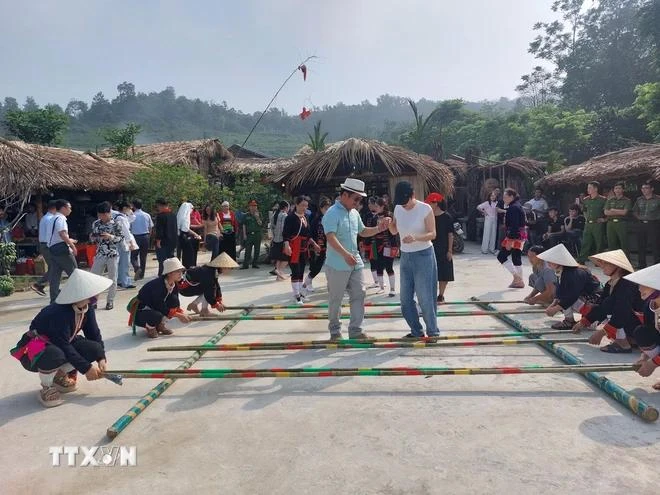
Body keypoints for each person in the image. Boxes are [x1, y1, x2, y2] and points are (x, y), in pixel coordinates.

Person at [10, 269, 112, 407]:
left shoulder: (86, 308)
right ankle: (46, 387)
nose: (97, 295)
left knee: (94, 348)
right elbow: (63, 345)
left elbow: (93, 334)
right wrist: (86, 368)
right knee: (56, 354)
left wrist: (101, 358)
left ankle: (58, 375)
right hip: (35, 349)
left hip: (62, 343)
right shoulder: (59, 313)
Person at [323, 178, 391, 340]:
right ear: (345, 195)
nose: (358, 202)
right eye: (356, 199)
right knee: (336, 299)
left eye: (360, 199)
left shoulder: (354, 213)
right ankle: (335, 332)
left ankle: (355, 331)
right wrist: (345, 254)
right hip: (338, 264)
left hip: (355, 263)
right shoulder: (332, 213)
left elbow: (362, 231)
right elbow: (330, 237)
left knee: (359, 295)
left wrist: (378, 228)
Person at [389, 181, 438, 339]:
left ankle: (433, 331)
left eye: (406, 202)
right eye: (401, 204)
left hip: (423, 254)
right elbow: (394, 229)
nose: (404, 206)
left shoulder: (425, 208)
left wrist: (416, 237)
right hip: (406, 256)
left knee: (425, 297)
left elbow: (432, 234)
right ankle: (416, 331)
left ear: (413, 196)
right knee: (405, 300)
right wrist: (389, 224)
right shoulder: (397, 208)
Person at [572, 250, 640, 353]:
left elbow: (622, 311)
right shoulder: (610, 284)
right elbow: (601, 307)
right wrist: (584, 321)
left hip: (639, 322)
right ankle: (630, 338)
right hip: (630, 321)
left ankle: (623, 343)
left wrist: (603, 332)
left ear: (618, 267)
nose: (602, 265)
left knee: (614, 306)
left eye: (606, 263)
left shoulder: (627, 284)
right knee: (607, 303)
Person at [539, 244, 602, 330]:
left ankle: (570, 320)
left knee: (590, 326)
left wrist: (556, 308)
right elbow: (559, 292)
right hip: (584, 297)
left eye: (550, 261)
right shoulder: (562, 271)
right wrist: (552, 306)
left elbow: (572, 296)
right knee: (562, 298)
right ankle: (570, 319)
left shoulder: (573, 273)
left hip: (595, 301)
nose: (548, 264)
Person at [127, 257, 191, 338]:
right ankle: (150, 327)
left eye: (181, 271)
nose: (180, 274)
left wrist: (181, 313)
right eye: (177, 271)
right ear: (169, 273)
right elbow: (160, 306)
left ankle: (160, 325)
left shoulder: (173, 284)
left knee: (174, 301)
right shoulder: (158, 286)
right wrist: (178, 315)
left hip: (154, 307)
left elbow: (175, 303)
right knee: (157, 316)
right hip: (141, 312)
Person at [624, 264, 660, 389]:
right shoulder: (649, 306)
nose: (639, 289)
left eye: (645, 284)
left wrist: (653, 364)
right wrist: (644, 356)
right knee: (642, 332)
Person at [283, 196, 321, 304]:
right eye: (302, 205)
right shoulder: (290, 218)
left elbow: (308, 235)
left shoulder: (305, 218)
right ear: (296, 205)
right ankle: (296, 296)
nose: (305, 208)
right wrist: (287, 246)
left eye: (306, 206)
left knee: (301, 271)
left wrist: (314, 244)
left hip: (304, 248)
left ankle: (299, 293)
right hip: (293, 247)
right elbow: (285, 234)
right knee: (295, 271)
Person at [89, 201, 123, 310]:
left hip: (112, 254)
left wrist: (111, 237)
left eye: (103, 214)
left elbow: (121, 238)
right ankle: (93, 301)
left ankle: (110, 301)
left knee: (112, 279)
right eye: (99, 214)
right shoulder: (96, 224)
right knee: (94, 278)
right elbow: (93, 237)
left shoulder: (116, 224)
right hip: (100, 254)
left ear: (109, 213)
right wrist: (93, 238)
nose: (101, 217)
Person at [47, 199, 78, 303]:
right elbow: (62, 234)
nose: (70, 210)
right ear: (64, 208)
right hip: (61, 248)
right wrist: (72, 246)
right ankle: (77, 297)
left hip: (52, 248)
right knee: (75, 273)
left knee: (55, 276)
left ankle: (54, 299)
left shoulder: (52, 218)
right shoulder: (61, 218)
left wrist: (69, 240)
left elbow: (57, 235)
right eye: (69, 207)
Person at [367, 197, 398, 296]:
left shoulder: (390, 216)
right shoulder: (374, 217)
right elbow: (371, 231)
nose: (375, 208)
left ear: (382, 206)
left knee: (389, 266)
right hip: (377, 245)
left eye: (377, 206)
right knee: (378, 266)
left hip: (388, 245)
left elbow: (394, 232)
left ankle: (392, 289)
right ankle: (381, 287)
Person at [427, 193, 455, 303]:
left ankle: (441, 295)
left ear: (436, 203)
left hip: (443, 248)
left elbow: (450, 234)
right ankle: (431, 295)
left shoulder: (447, 217)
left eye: (430, 202)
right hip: (429, 248)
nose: (428, 204)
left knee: (444, 273)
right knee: (430, 273)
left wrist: (449, 250)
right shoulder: (428, 217)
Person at [497, 188, 527, 288]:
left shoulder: (513, 208)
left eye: (505, 197)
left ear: (511, 197)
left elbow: (514, 225)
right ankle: (519, 281)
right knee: (516, 257)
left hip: (515, 235)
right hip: (519, 235)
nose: (504, 199)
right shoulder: (516, 206)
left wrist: (509, 240)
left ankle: (517, 277)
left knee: (501, 256)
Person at [303, 197, 331, 293]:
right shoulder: (315, 219)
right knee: (316, 267)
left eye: (328, 208)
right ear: (321, 208)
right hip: (316, 246)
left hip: (328, 247)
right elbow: (309, 234)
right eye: (325, 208)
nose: (327, 211)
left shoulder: (330, 219)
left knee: (330, 267)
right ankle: (307, 283)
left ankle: (330, 284)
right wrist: (314, 244)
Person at [30, 200, 57, 296]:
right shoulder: (51, 219)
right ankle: (39, 284)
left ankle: (42, 284)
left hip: (44, 244)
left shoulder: (45, 218)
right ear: (54, 208)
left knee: (54, 267)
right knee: (54, 267)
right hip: (47, 245)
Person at [632, 181, 659, 269]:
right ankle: (642, 264)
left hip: (653, 224)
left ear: (652, 189)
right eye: (642, 188)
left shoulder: (658, 199)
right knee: (641, 244)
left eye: (646, 188)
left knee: (656, 244)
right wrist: (639, 217)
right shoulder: (639, 199)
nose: (644, 190)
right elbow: (635, 211)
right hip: (641, 224)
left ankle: (657, 264)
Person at [578, 181, 607, 263]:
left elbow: (607, 211)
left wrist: (604, 219)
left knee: (599, 243)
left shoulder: (603, 199)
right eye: (588, 188)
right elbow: (584, 211)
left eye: (590, 188)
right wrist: (586, 219)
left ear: (596, 189)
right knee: (585, 242)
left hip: (598, 224)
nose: (588, 189)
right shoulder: (585, 200)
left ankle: (599, 261)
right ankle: (582, 259)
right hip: (588, 224)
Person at [113, 201, 138, 289]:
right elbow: (126, 232)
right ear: (124, 208)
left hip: (121, 241)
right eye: (129, 208)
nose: (131, 210)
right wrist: (130, 242)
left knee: (122, 262)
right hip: (124, 242)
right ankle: (125, 282)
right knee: (125, 263)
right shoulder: (121, 218)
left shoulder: (121, 217)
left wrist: (131, 213)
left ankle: (120, 280)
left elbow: (132, 219)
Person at [604, 182, 632, 252]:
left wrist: (613, 210)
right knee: (611, 244)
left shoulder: (627, 200)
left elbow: (624, 212)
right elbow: (606, 212)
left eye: (619, 188)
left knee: (624, 243)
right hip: (610, 224)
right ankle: (614, 262)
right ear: (614, 190)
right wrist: (619, 211)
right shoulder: (610, 200)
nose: (617, 190)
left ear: (623, 190)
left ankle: (626, 261)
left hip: (621, 223)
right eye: (616, 188)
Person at [129, 199, 153, 280]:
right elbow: (150, 227)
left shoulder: (132, 216)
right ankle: (142, 274)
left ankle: (137, 268)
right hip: (145, 236)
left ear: (134, 206)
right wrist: (149, 236)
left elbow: (129, 228)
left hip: (135, 237)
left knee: (133, 256)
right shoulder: (147, 215)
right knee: (143, 257)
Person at [155, 198, 178, 276]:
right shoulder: (173, 215)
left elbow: (159, 230)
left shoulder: (160, 216)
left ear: (160, 206)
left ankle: (162, 275)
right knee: (170, 259)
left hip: (163, 241)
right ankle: (171, 274)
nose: (157, 208)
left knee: (162, 260)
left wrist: (158, 241)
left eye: (158, 206)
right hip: (172, 241)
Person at [177, 200, 202, 269]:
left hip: (182, 236)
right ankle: (189, 268)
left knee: (186, 254)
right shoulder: (185, 217)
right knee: (189, 254)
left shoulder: (181, 216)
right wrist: (195, 234)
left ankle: (187, 267)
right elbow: (186, 228)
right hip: (185, 237)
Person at [241, 199, 264, 269]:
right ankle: (245, 264)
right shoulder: (246, 215)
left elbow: (261, 224)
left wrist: (257, 217)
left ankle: (255, 264)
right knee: (248, 250)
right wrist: (244, 235)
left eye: (255, 206)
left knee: (257, 250)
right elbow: (244, 225)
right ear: (249, 207)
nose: (253, 207)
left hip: (257, 234)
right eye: (252, 206)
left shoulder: (259, 214)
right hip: (249, 234)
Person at [271, 201, 290, 281]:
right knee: (286, 258)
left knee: (279, 258)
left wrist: (273, 237)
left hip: (275, 240)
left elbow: (271, 227)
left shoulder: (274, 214)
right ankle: (279, 271)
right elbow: (284, 229)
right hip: (283, 240)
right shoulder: (284, 215)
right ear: (286, 207)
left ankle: (279, 276)